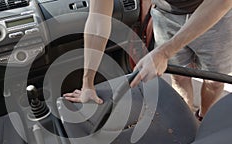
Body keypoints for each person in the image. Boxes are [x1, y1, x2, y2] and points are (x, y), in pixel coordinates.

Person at [64, 0, 232, 120]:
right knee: (179, 76)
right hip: (166, 15)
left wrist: (164, 52)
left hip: (214, 14)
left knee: (214, 80)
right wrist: (87, 83)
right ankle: (186, 116)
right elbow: (98, 20)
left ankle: (204, 117)